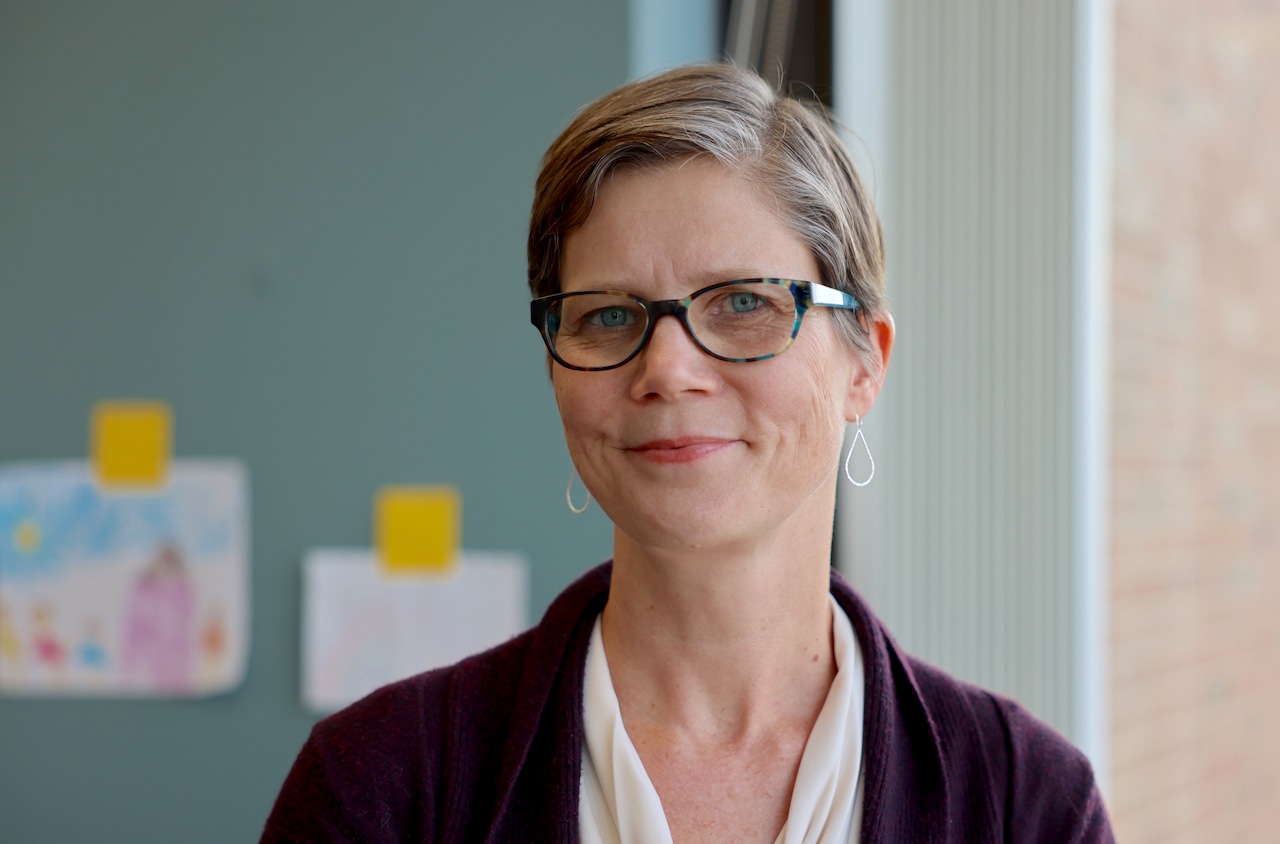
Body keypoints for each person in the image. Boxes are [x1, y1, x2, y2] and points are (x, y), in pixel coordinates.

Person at [261, 63, 1113, 843]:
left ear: (866, 364)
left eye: (742, 302)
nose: (666, 369)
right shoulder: (377, 789)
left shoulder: (1027, 805)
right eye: (607, 316)